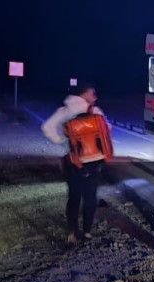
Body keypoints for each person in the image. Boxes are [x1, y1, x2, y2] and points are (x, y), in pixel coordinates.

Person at [42, 83, 113, 245]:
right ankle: (87, 232)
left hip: (72, 160)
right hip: (94, 161)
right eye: (92, 94)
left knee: (74, 197)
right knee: (90, 197)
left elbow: (46, 127)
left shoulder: (64, 111)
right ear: (85, 94)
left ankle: (72, 232)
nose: (95, 97)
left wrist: (61, 139)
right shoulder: (95, 111)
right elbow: (108, 128)